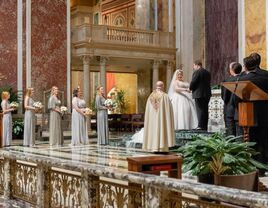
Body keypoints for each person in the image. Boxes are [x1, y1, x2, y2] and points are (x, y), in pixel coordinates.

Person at [234, 56, 268, 176]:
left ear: (246, 66)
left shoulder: (243, 79)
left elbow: (235, 98)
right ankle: (263, 168)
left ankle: (254, 169)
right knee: (263, 142)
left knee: (252, 142)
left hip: (249, 115)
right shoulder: (266, 76)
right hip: (265, 115)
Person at [143, 81, 175, 152]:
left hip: (152, 119)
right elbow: (169, 111)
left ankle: (153, 147)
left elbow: (148, 111)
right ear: (163, 86)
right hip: (162, 119)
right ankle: (162, 148)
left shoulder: (150, 96)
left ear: (156, 86)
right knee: (161, 129)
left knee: (153, 129)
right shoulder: (165, 96)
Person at [221, 62, 242, 136]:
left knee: (230, 132)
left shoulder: (227, 80)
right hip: (242, 109)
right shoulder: (243, 79)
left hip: (229, 109)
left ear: (231, 70)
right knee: (240, 133)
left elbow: (224, 96)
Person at [189, 60, 211, 130]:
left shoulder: (197, 72)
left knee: (200, 110)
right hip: (207, 94)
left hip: (199, 94)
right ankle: (204, 126)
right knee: (205, 110)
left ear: (196, 65)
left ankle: (200, 126)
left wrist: (190, 88)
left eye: (194, 66)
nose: (193, 67)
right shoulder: (207, 72)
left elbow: (193, 82)